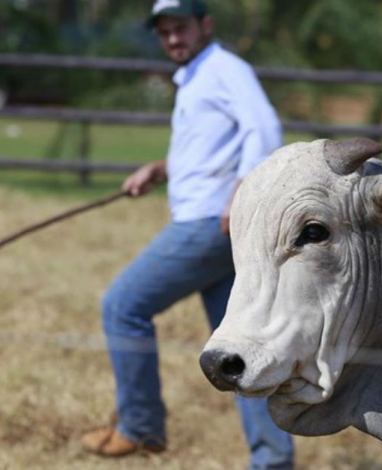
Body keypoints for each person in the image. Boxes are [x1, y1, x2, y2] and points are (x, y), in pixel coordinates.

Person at [79, 1, 294, 468]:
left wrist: (241, 191)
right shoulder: (195, 76)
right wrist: (159, 169)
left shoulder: (225, 68)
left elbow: (264, 127)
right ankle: (273, 459)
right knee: (241, 352)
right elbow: (209, 147)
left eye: (181, 28)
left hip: (207, 225)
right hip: (206, 221)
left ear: (205, 25)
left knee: (123, 306)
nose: (173, 38)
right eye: (165, 32)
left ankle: (139, 428)